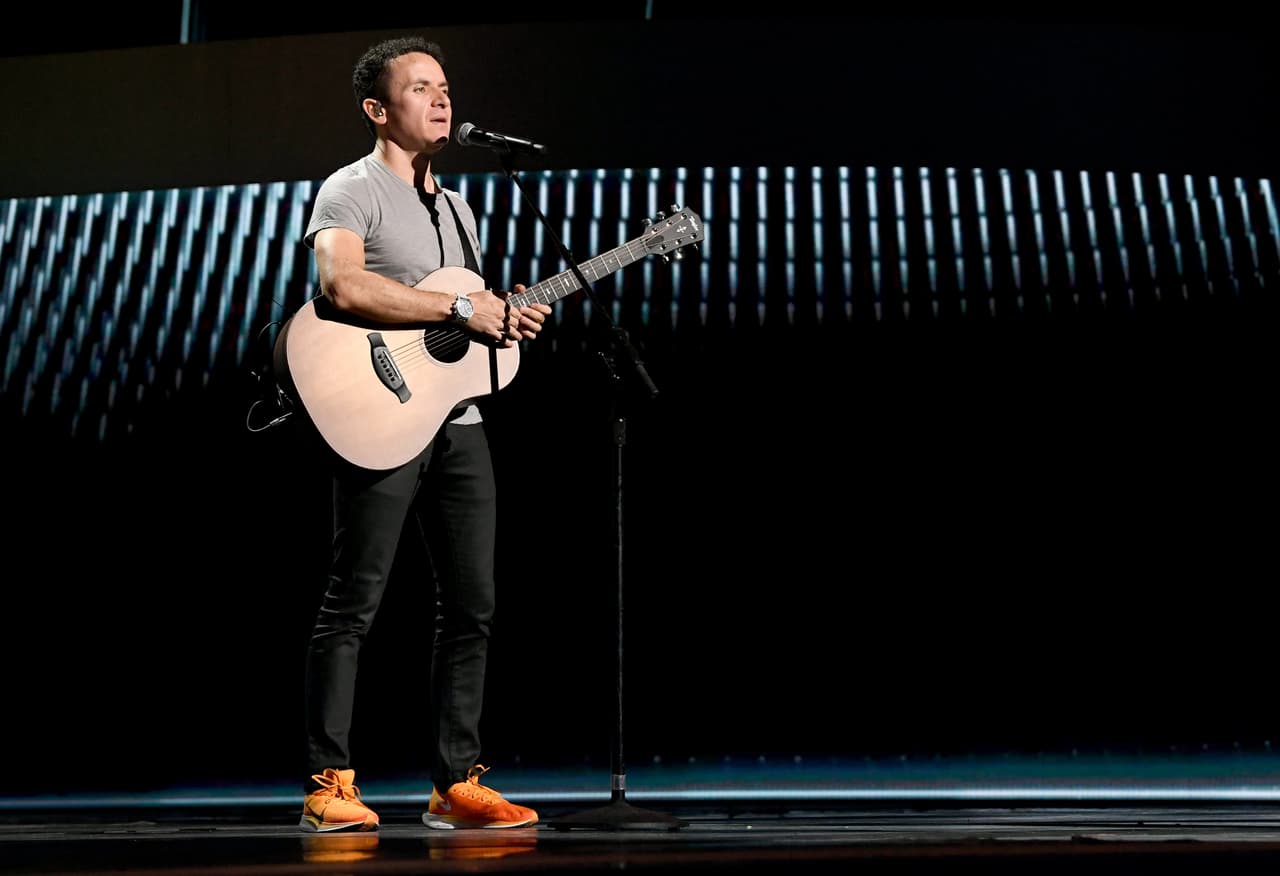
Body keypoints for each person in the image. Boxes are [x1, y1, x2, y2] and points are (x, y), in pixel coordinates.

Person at [295, 35, 552, 833]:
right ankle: (330, 780)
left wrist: (504, 319)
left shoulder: (458, 207)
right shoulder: (352, 189)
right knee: (356, 601)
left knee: (473, 603)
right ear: (379, 110)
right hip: (378, 414)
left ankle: (455, 782)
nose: (441, 100)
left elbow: (464, 314)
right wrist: (455, 310)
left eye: (444, 86)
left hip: (458, 421)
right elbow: (339, 285)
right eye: (420, 89)